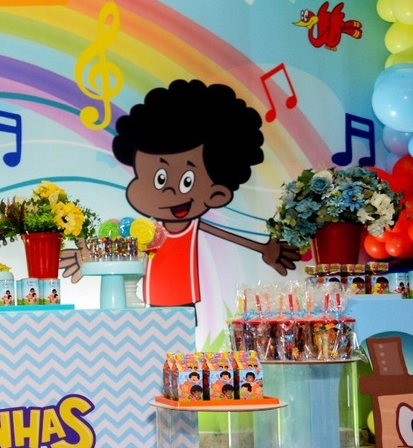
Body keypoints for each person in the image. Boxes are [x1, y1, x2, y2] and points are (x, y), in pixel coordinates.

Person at [61, 79, 300, 305]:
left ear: (216, 194)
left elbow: (226, 235)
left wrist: (263, 249)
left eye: (187, 181)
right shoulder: (145, 230)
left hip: (185, 298)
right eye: (160, 179)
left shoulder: (191, 225)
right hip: (153, 296)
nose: (169, 191)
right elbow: (122, 249)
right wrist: (89, 256)